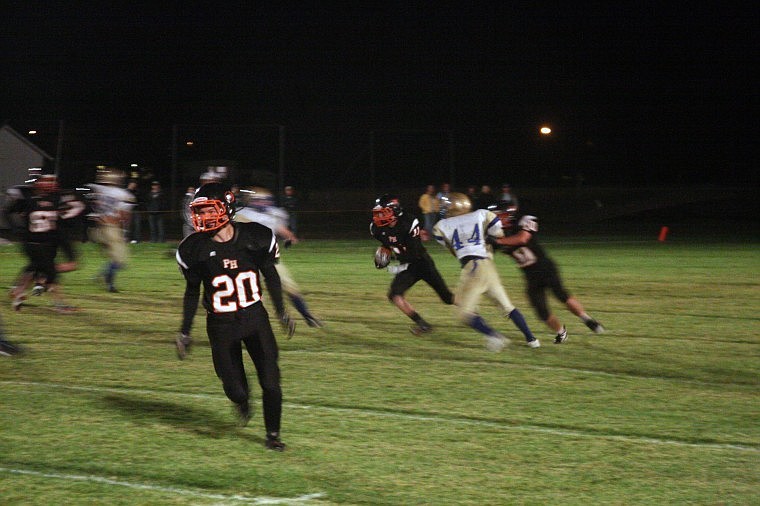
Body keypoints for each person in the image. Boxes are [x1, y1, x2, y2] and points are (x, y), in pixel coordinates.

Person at [176, 182, 294, 451]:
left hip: (255, 318)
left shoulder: (256, 237)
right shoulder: (193, 249)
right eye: (200, 211)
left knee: (271, 382)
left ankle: (272, 436)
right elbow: (192, 292)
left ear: (227, 207)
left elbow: (272, 276)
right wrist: (184, 330)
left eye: (208, 210)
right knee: (236, 390)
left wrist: (281, 311)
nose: (202, 217)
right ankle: (242, 401)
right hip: (221, 325)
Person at [432, 193, 540, 351]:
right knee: (507, 307)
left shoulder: (441, 226)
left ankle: (494, 336)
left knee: (463, 313)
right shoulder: (482, 214)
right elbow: (498, 237)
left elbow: (454, 250)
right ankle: (532, 340)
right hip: (488, 266)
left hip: (472, 267)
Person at [490, 201, 605, 343]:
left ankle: (588, 320)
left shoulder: (524, 220)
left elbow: (523, 238)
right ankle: (561, 333)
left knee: (561, 295)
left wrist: (499, 242)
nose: (497, 219)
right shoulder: (497, 233)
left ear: (509, 214)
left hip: (544, 267)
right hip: (529, 275)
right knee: (541, 311)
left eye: (500, 216)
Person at [234, 186, 323, 328]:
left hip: (266, 259)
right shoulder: (246, 215)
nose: (263, 203)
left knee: (288, 286)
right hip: (249, 260)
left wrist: (290, 238)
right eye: (260, 200)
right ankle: (256, 323)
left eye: (264, 200)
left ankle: (305, 315)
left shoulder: (268, 214)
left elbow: (282, 230)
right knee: (253, 294)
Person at [370, 194, 454, 335]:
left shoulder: (408, 222)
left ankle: (472, 311)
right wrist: (385, 252)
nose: (378, 216)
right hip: (406, 265)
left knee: (447, 298)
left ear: (394, 210)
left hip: (421, 263)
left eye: (383, 212)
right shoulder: (376, 228)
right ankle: (423, 324)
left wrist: (395, 266)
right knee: (395, 295)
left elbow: (413, 253)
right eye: (378, 213)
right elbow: (388, 242)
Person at [4, 174, 84, 312]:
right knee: (50, 272)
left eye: (51, 181)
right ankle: (59, 304)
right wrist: (15, 228)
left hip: (50, 241)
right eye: (45, 181)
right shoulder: (27, 199)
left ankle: (19, 291)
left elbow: (74, 208)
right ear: (37, 183)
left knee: (38, 268)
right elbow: (8, 211)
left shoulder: (55, 198)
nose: (49, 184)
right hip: (33, 242)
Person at [87, 168, 136, 293]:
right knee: (119, 260)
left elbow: (89, 191)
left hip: (96, 230)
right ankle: (109, 283)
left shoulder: (99, 189)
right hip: (111, 228)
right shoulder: (123, 194)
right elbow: (122, 215)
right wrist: (124, 230)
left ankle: (101, 275)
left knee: (113, 259)